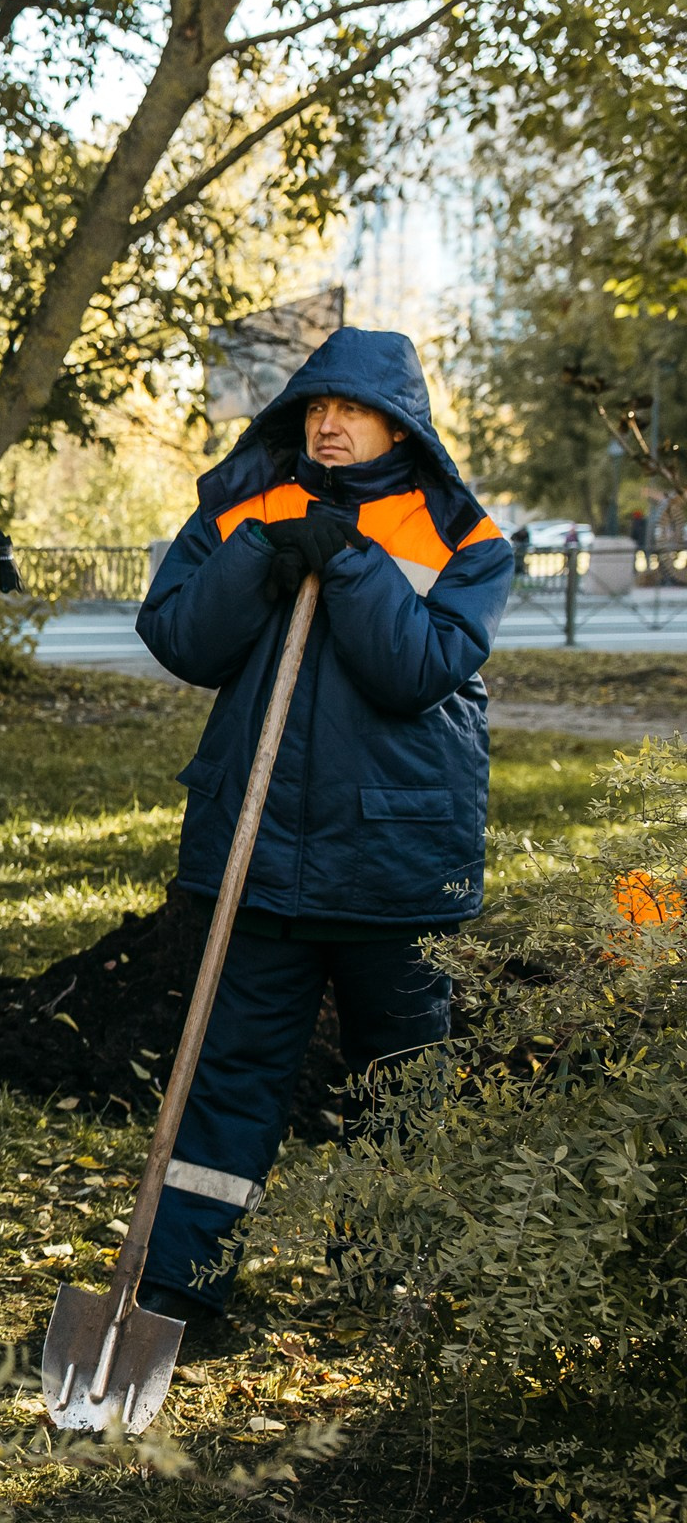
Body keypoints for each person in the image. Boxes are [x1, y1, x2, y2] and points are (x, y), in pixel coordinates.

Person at [134, 327, 516, 1323]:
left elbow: (418, 670)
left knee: (399, 1083)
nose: (328, 424)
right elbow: (181, 638)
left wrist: (350, 565)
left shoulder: (462, 536)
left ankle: (387, 1273)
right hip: (257, 858)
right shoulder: (244, 509)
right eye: (314, 407)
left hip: (398, 860)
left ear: (400, 423)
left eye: (349, 409)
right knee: (231, 1083)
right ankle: (184, 1282)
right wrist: (260, 553)